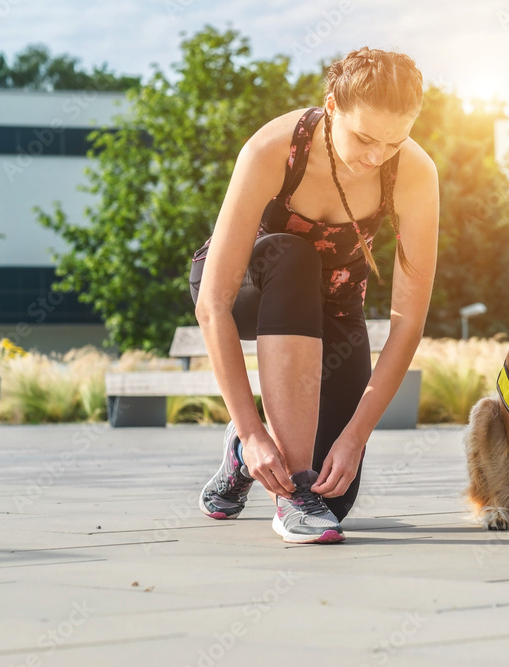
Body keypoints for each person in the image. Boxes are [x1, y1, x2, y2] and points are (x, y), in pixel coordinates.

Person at [189, 47, 439, 544]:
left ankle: (243, 458)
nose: (375, 156)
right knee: (293, 255)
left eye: (395, 141)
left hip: (332, 307)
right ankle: (288, 487)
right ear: (331, 105)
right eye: (365, 137)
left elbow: (407, 320)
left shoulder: (414, 173)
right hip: (248, 289)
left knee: (334, 495)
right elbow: (213, 304)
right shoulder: (272, 150)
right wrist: (254, 427)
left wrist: (355, 436)